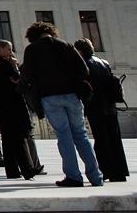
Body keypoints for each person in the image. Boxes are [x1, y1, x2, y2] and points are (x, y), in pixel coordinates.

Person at [22, 22, 104, 187]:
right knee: (81, 135)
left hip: (50, 96)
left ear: (33, 35)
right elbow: (83, 69)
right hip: (72, 95)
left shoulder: (32, 49)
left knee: (64, 136)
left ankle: (74, 176)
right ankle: (96, 177)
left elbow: (27, 75)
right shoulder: (65, 45)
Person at [74, 38, 128, 183]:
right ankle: (120, 172)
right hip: (110, 106)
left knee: (101, 139)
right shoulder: (103, 62)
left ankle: (106, 170)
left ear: (80, 50)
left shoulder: (84, 64)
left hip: (96, 107)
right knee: (114, 139)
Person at [0, 40, 39, 180]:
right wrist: (15, 66)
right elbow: (17, 80)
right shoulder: (2, 63)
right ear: (0, 49)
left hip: (2, 104)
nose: (11, 52)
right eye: (8, 49)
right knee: (18, 136)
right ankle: (27, 168)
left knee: (9, 138)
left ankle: (13, 170)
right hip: (12, 103)